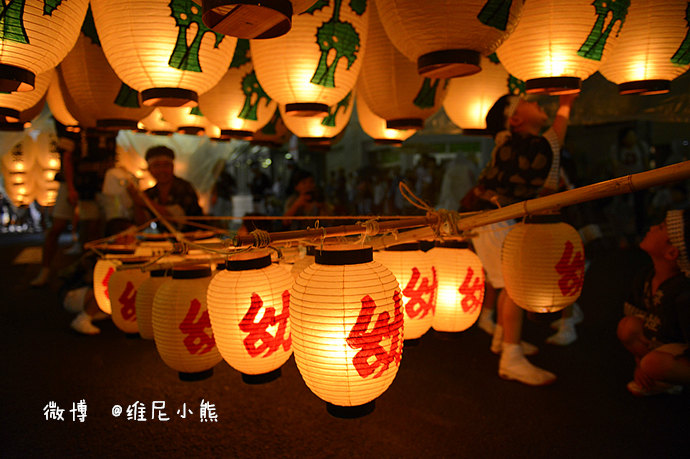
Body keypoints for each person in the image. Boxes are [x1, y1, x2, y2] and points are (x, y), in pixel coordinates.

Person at [462, 92, 577, 386]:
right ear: (515, 119)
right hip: (496, 220)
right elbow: (555, 138)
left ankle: (503, 340)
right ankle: (510, 358)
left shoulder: (510, 146)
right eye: (528, 102)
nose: (538, 102)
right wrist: (566, 104)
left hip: (489, 221)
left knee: (505, 286)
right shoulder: (524, 146)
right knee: (514, 287)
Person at [617, 209, 690, 396]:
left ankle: (667, 379)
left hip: (680, 349)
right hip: (657, 339)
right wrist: (638, 363)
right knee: (627, 326)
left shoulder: (683, 293)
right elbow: (634, 311)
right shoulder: (646, 276)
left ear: (672, 252)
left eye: (661, 227)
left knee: (654, 363)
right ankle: (650, 375)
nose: (652, 227)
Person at [31, 127, 114, 287]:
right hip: (71, 182)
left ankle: (89, 271)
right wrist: (70, 187)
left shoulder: (106, 126)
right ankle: (45, 270)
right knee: (57, 227)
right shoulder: (71, 124)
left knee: (92, 230)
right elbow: (67, 158)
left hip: (95, 184)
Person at [128, 145, 203, 232]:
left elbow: (178, 220)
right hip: (160, 243)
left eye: (166, 165)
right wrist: (137, 201)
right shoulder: (150, 193)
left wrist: (146, 202)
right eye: (156, 166)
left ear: (172, 167)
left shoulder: (185, 188)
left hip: (193, 242)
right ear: (149, 169)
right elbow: (142, 224)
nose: (162, 170)